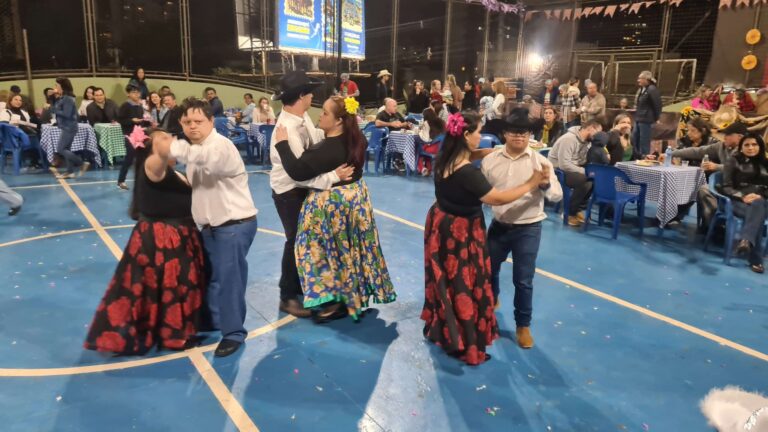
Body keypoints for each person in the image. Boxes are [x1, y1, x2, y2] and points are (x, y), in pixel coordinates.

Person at [421, 111, 545, 365]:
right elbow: (496, 198)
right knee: (463, 282)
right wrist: (531, 183)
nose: (482, 136)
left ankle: (445, 325)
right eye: (478, 132)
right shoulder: (467, 173)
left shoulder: (446, 156)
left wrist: (485, 152)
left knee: (447, 280)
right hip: (460, 232)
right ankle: (462, 337)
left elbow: (468, 156)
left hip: (442, 223)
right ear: (466, 135)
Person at [84, 128, 206, 354]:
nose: (171, 140)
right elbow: (157, 160)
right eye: (164, 138)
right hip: (163, 239)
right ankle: (173, 335)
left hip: (178, 234)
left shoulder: (174, 170)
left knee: (168, 286)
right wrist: (162, 151)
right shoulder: (152, 166)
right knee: (170, 285)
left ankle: (171, 329)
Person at [274, 96, 396, 322]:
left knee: (323, 250)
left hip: (334, 207)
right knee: (348, 249)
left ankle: (336, 299)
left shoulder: (327, 151)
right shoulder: (356, 138)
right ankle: (348, 296)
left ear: (339, 121)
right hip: (355, 201)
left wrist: (282, 144)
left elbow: (297, 171)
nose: (320, 116)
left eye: (325, 113)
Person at [166, 97, 258, 357]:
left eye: (198, 121)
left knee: (229, 280)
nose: (192, 126)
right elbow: (198, 183)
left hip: (233, 225)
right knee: (212, 277)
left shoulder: (219, 146)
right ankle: (215, 320)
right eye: (187, 122)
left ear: (211, 121)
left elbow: (208, 161)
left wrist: (169, 146)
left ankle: (233, 333)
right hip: (211, 226)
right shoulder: (197, 148)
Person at [269, 71, 353, 319]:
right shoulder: (287, 129)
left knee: (303, 241)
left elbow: (315, 138)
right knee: (295, 241)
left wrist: (334, 135)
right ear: (302, 96)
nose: (312, 97)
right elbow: (298, 173)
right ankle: (287, 295)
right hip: (289, 191)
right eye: (309, 93)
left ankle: (300, 287)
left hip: (299, 188)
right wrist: (333, 176)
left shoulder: (301, 117)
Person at [482, 108, 562, 349]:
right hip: (499, 226)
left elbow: (557, 196)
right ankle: (491, 299)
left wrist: (545, 185)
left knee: (523, 280)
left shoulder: (541, 162)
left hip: (528, 228)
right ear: (505, 134)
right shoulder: (490, 160)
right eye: (514, 132)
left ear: (530, 135)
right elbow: (481, 191)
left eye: (524, 132)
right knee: (488, 269)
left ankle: (523, 325)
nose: (519, 136)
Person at [721, 133, 768, 273]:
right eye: (746, 145)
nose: (750, 148)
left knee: (758, 205)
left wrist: (760, 195)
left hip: (763, 201)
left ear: (760, 146)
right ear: (741, 147)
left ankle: (746, 240)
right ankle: (755, 259)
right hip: (738, 202)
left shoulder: (766, 163)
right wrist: (742, 196)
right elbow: (726, 187)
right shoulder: (733, 161)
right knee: (757, 213)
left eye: (754, 144)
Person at [548, 119, 603, 226]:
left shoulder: (588, 142)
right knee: (584, 182)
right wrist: (585, 171)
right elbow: (564, 164)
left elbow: (582, 161)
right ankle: (569, 213)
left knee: (595, 180)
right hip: (558, 170)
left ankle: (578, 209)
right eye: (598, 132)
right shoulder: (569, 139)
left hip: (574, 168)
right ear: (590, 128)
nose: (598, 136)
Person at [52, 77, 89, 179]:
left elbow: (67, 114)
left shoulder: (68, 98)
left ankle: (82, 163)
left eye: (57, 85)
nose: (55, 87)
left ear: (62, 86)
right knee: (66, 149)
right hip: (67, 126)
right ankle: (70, 172)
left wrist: (53, 109)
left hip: (69, 127)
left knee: (61, 149)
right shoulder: (63, 97)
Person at [117, 84, 149, 190]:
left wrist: (146, 122)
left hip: (139, 135)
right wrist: (131, 120)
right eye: (133, 92)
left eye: (138, 92)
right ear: (128, 94)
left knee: (142, 157)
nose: (136, 94)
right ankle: (121, 181)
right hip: (129, 135)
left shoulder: (139, 105)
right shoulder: (125, 105)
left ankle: (142, 180)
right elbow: (120, 120)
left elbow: (141, 120)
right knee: (129, 158)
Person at [1, 94, 43, 169]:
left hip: (26, 134)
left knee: (39, 133)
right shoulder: (5, 112)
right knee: (34, 138)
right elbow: (3, 125)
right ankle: (34, 161)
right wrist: (15, 123)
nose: (18, 102)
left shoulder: (24, 112)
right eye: (16, 99)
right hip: (12, 138)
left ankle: (37, 160)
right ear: (10, 101)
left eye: (20, 100)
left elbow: (28, 124)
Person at [633, 71, 662, 155]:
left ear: (646, 79)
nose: (638, 80)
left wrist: (657, 118)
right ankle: (637, 156)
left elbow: (657, 105)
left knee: (644, 141)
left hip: (646, 119)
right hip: (638, 118)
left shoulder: (652, 89)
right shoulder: (642, 89)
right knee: (635, 138)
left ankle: (645, 157)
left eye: (640, 78)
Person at [417, 105, 445, 175]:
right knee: (425, 147)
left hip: (434, 148)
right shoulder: (442, 121)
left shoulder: (427, 123)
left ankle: (422, 169)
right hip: (443, 147)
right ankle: (429, 168)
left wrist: (420, 132)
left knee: (418, 149)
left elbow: (425, 138)